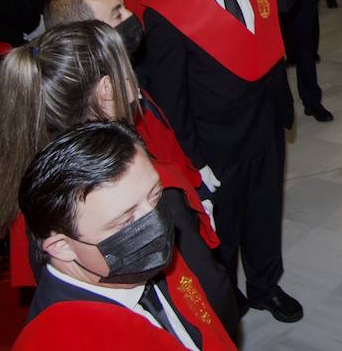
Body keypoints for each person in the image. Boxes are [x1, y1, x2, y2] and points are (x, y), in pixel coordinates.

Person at [0, 15, 238, 335]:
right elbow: (211, 291)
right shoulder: (138, 188)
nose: (134, 85)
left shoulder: (37, 180)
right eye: (126, 74)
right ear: (105, 90)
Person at [144, 0, 308, 322]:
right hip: (218, 139)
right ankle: (226, 295)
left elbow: (275, 15)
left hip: (267, 119)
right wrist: (193, 159)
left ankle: (266, 285)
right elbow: (171, 95)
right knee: (224, 229)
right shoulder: (166, 8)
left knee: (266, 212)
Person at [14, 121, 237, 349]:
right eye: (127, 221)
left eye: (155, 194)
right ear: (63, 246)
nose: (157, 223)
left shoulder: (127, 268)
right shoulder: (60, 341)